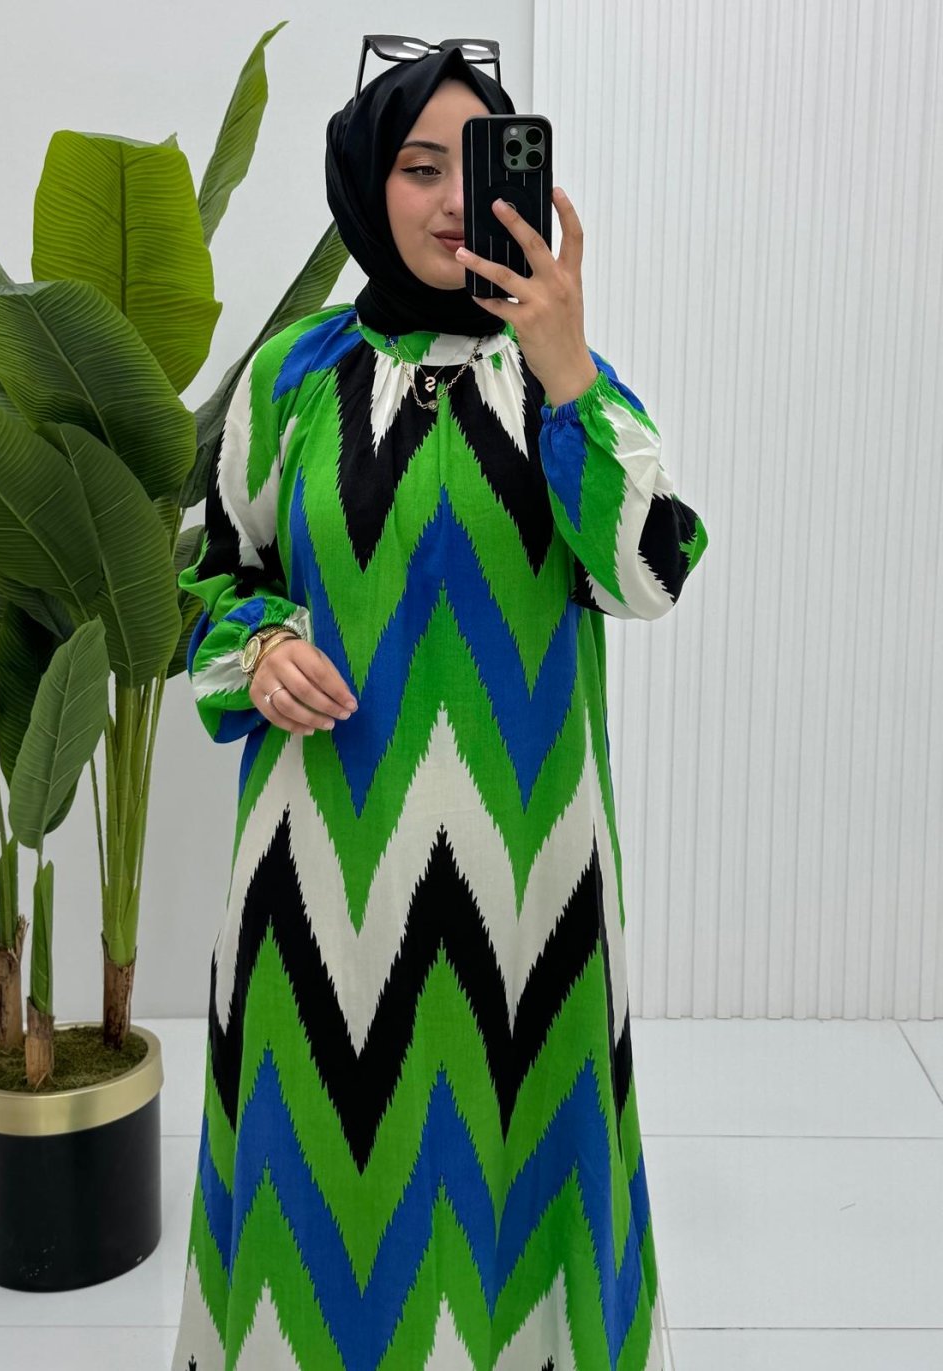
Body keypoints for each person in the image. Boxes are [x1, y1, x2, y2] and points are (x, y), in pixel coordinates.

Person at [170, 39, 706, 1371]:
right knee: (311, 1175)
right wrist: (258, 648)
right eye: (419, 167)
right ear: (367, 183)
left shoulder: (567, 385)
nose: (455, 197)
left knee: (522, 1172)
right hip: (316, 881)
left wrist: (568, 369)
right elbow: (209, 578)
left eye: (477, 162)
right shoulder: (291, 380)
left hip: (531, 891)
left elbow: (650, 573)